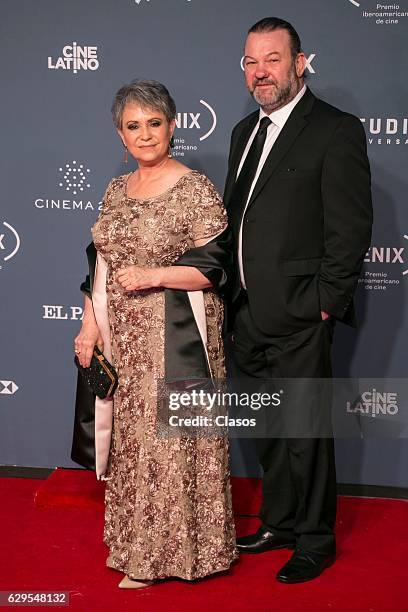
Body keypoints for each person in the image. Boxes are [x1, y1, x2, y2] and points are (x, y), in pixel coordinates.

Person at [72, 79, 237, 588]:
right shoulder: (115, 190)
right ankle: (134, 544)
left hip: (176, 333)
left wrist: (153, 275)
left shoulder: (194, 189)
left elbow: (217, 268)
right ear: (121, 135)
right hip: (125, 336)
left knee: (171, 441)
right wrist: (89, 325)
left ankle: (176, 555)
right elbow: (99, 264)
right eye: (133, 126)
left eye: (154, 123)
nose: (145, 135)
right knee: (132, 441)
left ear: (173, 125)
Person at [224, 18, 372, 583]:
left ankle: (315, 539)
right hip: (246, 314)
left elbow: (351, 227)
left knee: (307, 432)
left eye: (272, 59)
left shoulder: (335, 130)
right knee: (268, 429)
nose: (261, 72)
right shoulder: (243, 133)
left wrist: (324, 304)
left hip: (302, 314)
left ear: (300, 63)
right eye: (251, 62)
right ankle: (279, 522)